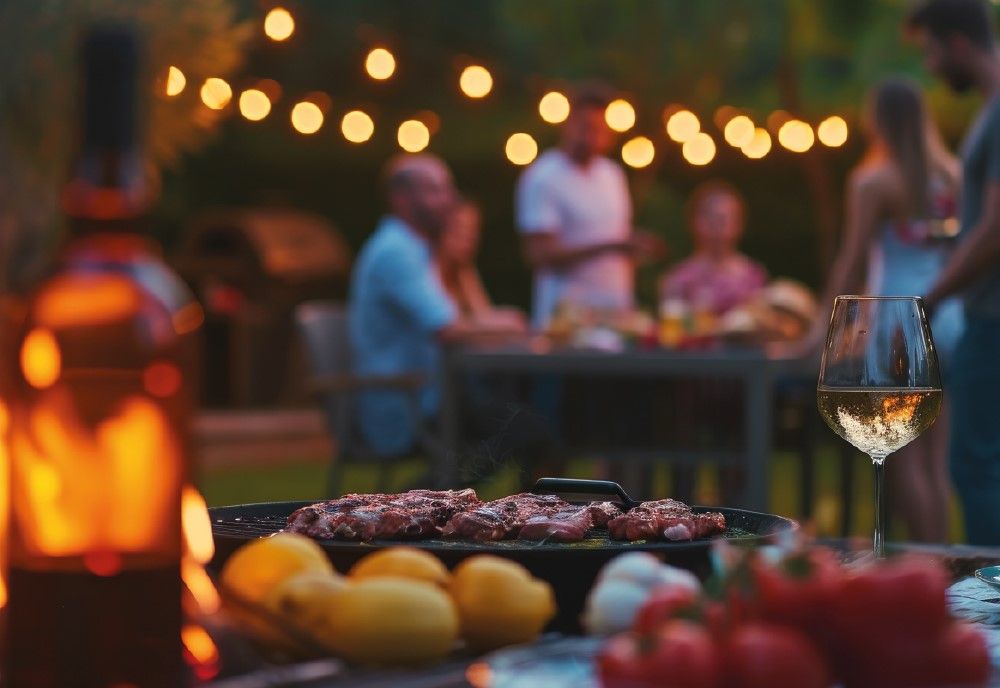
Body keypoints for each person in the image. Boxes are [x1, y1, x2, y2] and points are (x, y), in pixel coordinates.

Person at [799, 78, 963, 542]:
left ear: (878, 119)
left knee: (902, 455)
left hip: (896, 319)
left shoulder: (873, 180)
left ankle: (925, 560)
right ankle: (943, 564)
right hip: (946, 314)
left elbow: (850, 262)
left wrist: (818, 334)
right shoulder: (951, 174)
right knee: (937, 460)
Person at [349, 154, 528, 460]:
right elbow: (447, 328)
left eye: (448, 189)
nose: (449, 200)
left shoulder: (416, 250)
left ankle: (447, 496)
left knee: (525, 419)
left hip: (430, 395)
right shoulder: (397, 252)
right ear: (401, 199)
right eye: (435, 191)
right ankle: (426, 498)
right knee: (529, 429)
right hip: (406, 406)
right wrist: (512, 325)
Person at [909, 0, 1000, 545]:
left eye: (932, 52)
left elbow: (995, 228)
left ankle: (992, 601)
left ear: (958, 44)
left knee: (976, 467)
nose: (932, 66)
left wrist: (931, 296)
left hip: (993, 320)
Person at [515, 83, 664, 329]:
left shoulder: (612, 174)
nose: (593, 136)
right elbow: (538, 253)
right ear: (568, 124)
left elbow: (615, 237)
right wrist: (611, 246)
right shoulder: (543, 176)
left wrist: (634, 246)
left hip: (616, 316)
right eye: (586, 127)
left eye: (600, 129)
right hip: (564, 321)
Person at [660, 181, 768, 317]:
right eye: (710, 219)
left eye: (724, 220)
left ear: (739, 223)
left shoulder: (753, 277)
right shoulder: (679, 279)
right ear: (694, 221)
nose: (717, 229)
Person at [437, 199, 526, 330]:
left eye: (473, 231)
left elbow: (484, 314)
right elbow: (444, 327)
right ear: (438, 230)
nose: (468, 238)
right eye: (459, 228)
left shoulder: (464, 271)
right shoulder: (426, 270)